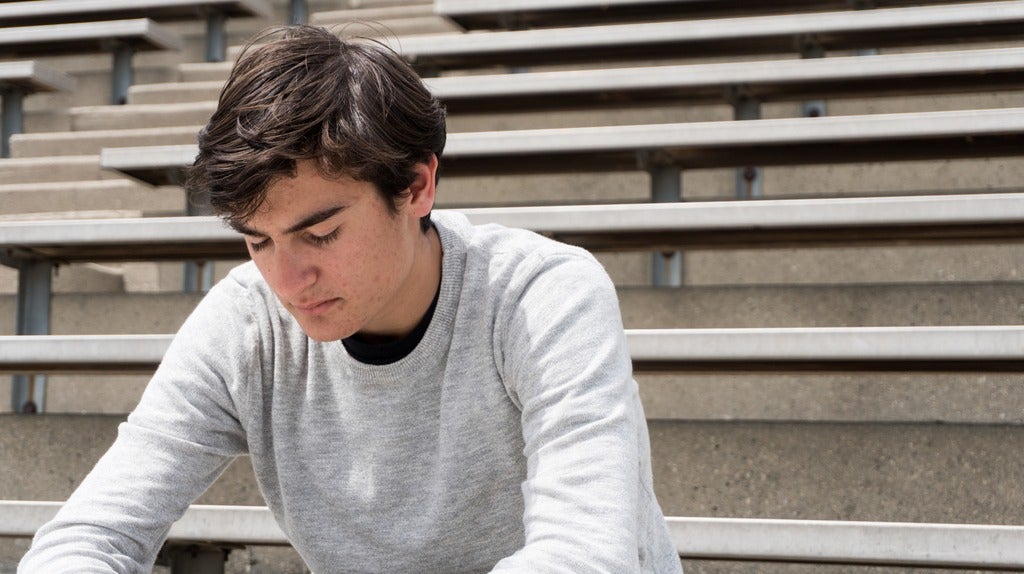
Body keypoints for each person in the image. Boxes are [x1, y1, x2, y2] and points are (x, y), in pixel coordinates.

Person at [20, 25, 682, 573]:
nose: (287, 280)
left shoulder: (545, 295)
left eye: (321, 234)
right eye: (258, 242)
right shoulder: (245, 320)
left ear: (418, 185)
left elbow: (584, 555)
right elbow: (92, 534)